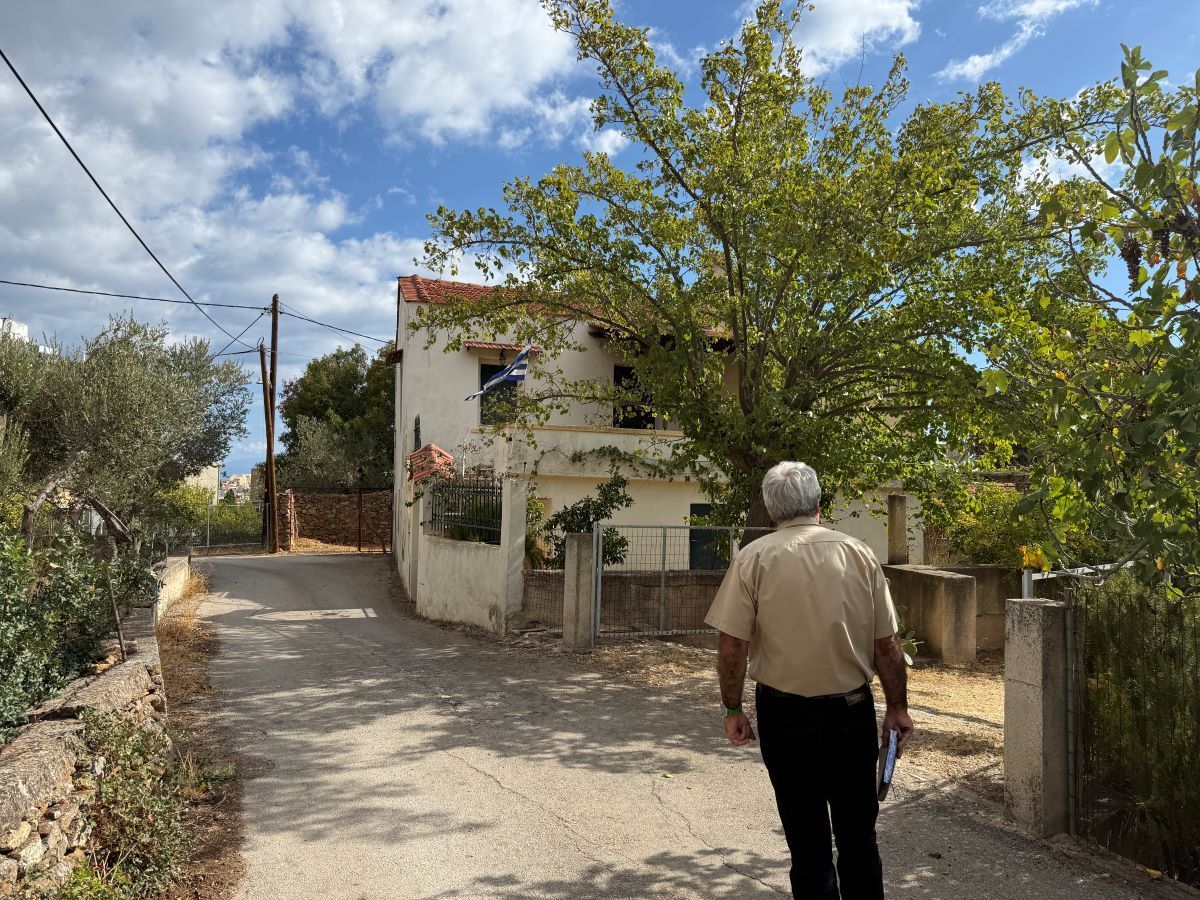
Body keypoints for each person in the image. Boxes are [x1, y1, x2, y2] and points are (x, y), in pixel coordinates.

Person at [704, 461, 914, 900]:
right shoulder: (858, 554)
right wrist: (897, 707)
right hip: (851, 712)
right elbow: (887, 645)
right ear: (818, 502)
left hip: (783, 715)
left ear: (771, 509)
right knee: (859, 838)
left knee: (808, 844)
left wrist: (733, 709)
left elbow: (732, 646)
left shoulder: (753, 558)